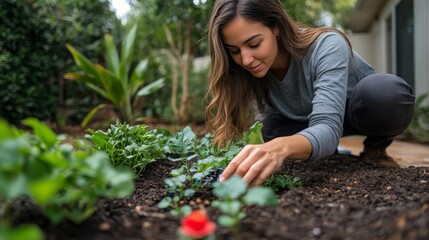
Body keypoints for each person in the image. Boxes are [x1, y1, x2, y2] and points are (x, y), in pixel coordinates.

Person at [204, 0, 415, 187]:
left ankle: (375, 148)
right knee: (267, 129)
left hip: (355, 113)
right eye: (234, 51)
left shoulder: (327, 46)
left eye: (254, 44)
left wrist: (280, 147)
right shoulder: (252, 69)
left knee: (387, 95)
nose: (246, 59)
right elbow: (266, 120)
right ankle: (322, 151)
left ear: (276, 27)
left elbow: (329, 127)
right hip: (302, 121)